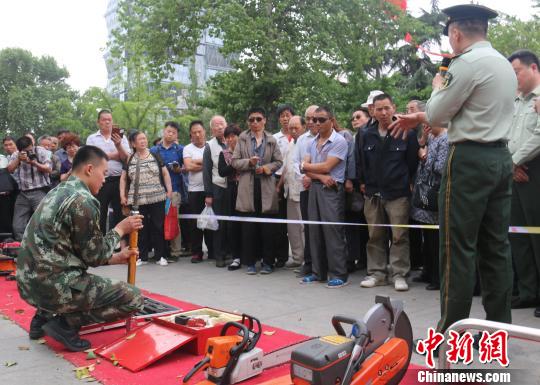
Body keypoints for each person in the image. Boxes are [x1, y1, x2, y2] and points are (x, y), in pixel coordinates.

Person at [389, 4, 517, 333]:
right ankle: (499, 331)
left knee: (456, 250)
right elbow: (474, 111)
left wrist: (437, 84)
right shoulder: (503, 63)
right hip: (500, 157)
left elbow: (438, 114)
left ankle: (451, 334)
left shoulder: (466, 63)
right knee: (496, 248)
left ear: (456, 33)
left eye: (451, 38)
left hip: (469, 160)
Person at [16, 145, 144, 352]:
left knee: (61, 273)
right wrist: (121, 229)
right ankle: (64, 324)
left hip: (29, 283)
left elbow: (72, 250)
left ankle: (41, 318)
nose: (104, 180)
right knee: (133, 298)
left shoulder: (59, 190)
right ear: (89, 169)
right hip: (53, 286)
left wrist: (115, 257)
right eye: (103, 173)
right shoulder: (83, 200)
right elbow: (94, 256)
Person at [358, 93, 419, 292]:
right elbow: (361, 162)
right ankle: (377, 273)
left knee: (399, 235)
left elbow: (411, 163)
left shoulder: (407, 132)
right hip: (373, 193)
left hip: (398, 193)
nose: (383, 113)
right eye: (379, 109)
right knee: (375, 235)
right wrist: (363, 183)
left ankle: (399, 274)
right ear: (372, 111)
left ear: (394, 107)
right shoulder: (365, 134)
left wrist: (405, 183)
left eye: (387, 108)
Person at [506, 50, 540, 316]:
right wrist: (511, 165)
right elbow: (506, 134)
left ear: (534, 68)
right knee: (518, 235)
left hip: (534, 171)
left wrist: (514, 161)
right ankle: (527, 291)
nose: (513, 77)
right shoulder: (514, 101)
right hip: (514, 173)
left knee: (537, 235)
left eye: (516, 71)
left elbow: (538, 136)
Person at [300, 106, 349, 288]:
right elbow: (303, 167)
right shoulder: (311, 142)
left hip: (332, 190)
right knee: (314, 230)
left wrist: (309, 168)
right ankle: (317, 272)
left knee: (332, 231)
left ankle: (338, 274)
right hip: (315, 187)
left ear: (331, 120)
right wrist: (318, 175)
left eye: (321, 119)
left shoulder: (339, 141)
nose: (316, 123)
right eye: (314, 119)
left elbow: (327, 166)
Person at [232, 107, 283, 275]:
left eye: (258, 119)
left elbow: (278, 161)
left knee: (268, 229)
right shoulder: (242, 138)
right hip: (248, 187)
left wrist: (267, 168)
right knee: (249, 229)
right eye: (252, 119)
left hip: (266, 187)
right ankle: (251, 263)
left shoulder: (271, 139)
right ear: (248, 122)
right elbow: (235, 162)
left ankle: (268, 262)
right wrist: (250, 163)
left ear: (265, 120)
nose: (255, 122)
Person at [120, 131, 172, 266]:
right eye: (140, 139)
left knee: (158, 226)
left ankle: (160, 255)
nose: (143, 141)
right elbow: (123, 178)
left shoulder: (155, 154)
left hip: (157, 196)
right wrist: (122, 195)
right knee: (140, 227)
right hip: (137, 199)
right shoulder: (130, 158)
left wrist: (169, 190)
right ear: (133, 143)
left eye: (144, 138)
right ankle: (142, 257)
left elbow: (165, 173)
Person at [410, 126, 449, 290]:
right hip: (423, 193)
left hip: (435, 193)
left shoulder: (446, 139)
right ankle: (427, 271)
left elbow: (442, 167)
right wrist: (423, 141)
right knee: (427, 237)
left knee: (435, 240)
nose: (426, 126)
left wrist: (425, 158)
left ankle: (437, 277)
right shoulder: (432, 137)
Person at [86, 110, 131, 234]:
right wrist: (114, 155)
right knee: (99, 213)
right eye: (104, 119)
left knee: (120, 214)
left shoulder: (121, 137)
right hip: (100, 181)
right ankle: (99, 245)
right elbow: (92, 158)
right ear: (98, 122)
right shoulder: (92, 138)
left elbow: (126, 157)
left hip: (119, 180)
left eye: (109, 120)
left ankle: (120, 246)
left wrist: (118, 145)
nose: (107, 122)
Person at [150, 121, 186, 262]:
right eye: (168, 131)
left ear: (176, 134)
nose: (170, 134)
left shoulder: (180, 150)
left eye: (174, 132)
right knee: (157, 222)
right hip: (157, 190)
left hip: (175, 190)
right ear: (163, 131)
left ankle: (175, 252)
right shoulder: (154, 150)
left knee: (173, 220)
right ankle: (160, 251)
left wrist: (179, 169)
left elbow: (185, 167)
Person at [7, 136, 52, 240]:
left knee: (43, 222)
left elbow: (49, 169)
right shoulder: (16, 154)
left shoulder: (40, 151)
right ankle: (22, 248)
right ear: (19, 149)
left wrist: (34, 162)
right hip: (23, 193)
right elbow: (9, 169)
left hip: (39, 192)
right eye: (24, 151)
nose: (27, 152)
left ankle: (43, 247)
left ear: (32, 144)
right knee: (17, 225)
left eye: (29, 150)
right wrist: (18, 159)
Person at [293, 105, 319, 277]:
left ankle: (324, 263)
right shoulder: (302, 139)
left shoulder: (332, 137)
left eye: (314, 118)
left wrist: (312, 175)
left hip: (323, 188)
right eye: (308, 118)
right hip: (305, 189)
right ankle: (309, 263)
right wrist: (304, 176)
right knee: (309, 228)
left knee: (324, 228)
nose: (311, 122)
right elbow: (296, 163)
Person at [278, 116, 305, 269]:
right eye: (291, 128)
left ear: (303, 127)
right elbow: (285, 168)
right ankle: (297, 258)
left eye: (296, 128)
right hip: (289, 190)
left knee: (303, 227)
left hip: (302, 190)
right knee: (292, 228)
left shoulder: (307, 143)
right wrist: (279, 186)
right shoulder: (289, 144)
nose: (293, 131)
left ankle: (307, 260)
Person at [184, 120, 213, 263]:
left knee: (210, 221)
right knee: (195, 223)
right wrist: (207, 163)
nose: (197, 134)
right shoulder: (187, 148)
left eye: (199, 131)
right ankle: (197, 252)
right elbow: (189, 166)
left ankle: (212, 250)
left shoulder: (210, 146)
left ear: (204, 132)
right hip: (194, 190)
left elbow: (215, 164)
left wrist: (199, 162)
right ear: (190, 134)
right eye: (194, 132)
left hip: (210, 189)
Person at [203, 115, 229, 267]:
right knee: (219, 224)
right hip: (218, 187)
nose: (220, 127)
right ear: (212, 130)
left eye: (222, 124)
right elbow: (206, 172)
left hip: (233, 187)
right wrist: (208, 194)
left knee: (231, 222)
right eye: (216, 125)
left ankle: (232, 252)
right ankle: (219, 256)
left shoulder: (234, 140)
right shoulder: (209, 146)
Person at [218, 124, 243, 271]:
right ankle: (236, 257)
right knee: (233, 225)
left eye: (233, 136)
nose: (230, 139)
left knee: (248, 223)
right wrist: (236, 162)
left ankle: (251, 256)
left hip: (247, 189)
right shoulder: (224, 154)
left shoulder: (246, 150)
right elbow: (222, 172)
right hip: (232, 190)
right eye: (227, 137)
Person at [273, 104, 295, 267]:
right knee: (279, 220)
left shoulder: (299, 136)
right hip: (277, 180)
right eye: (282, 116)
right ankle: (281, 256)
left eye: (288, 115)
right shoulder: (274, 138)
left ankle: (299, 256)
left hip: (295, 181)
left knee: (296, 221)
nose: (285, 118)